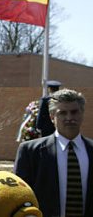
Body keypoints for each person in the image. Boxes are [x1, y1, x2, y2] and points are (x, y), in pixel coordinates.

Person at [14, 88, 93, 217]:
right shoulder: (30, 152)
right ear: (52, 117)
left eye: (74, 112)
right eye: (62, 113)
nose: (69, 118)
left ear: (82, 113)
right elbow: (19, 196)